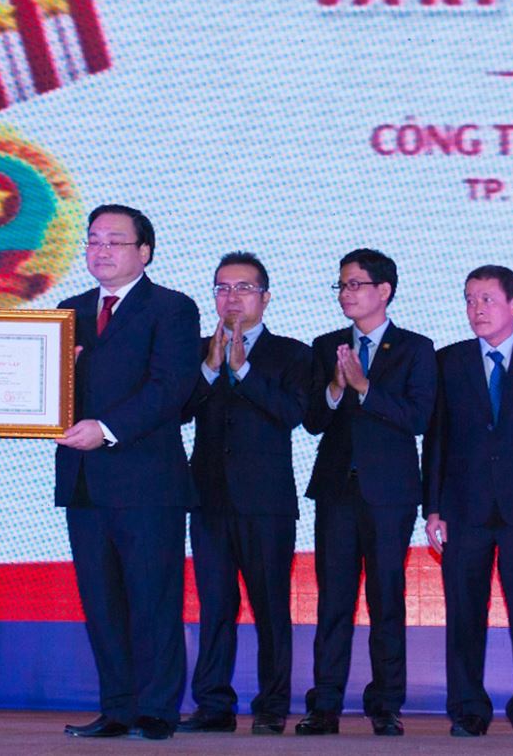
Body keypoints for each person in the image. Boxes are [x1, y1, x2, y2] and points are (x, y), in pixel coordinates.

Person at [57, 204, 200, 741]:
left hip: (147, 482)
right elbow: (45, 392)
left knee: (153, 599)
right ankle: (116, 708)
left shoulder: (173, 309)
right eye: (93, 240)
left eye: (114, 241)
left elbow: (170, 389)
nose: (101, 250)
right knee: (102, 603)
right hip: (83, 480)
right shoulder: (68, 311)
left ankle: (158, 709)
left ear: (144, 251)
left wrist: (108, 428)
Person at [423, 265, 513, 738]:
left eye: (486, 299)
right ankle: (468, 708)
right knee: (464, 615)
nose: (476, 309)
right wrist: (433, 508)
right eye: (469, 299)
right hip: (463, 508)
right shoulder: (448, 361)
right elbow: (437, 439)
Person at [298, 248, 435, 737]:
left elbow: (418, 418)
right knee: (333, 600)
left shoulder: (416, 348)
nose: (346, 294)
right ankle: (324, 704)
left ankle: (385, 703)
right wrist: (336, 390)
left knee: (386, 599)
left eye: (355, 284)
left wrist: (365, 387)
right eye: (341, 285)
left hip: (389, 493)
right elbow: (313, 420)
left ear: (384, 290)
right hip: (336, 490)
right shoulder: (326, 345)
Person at [179, 251, 310, 736]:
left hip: (266, 502)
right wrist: (211, 369)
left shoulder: (292, 353)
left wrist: (245, 370)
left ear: (265, 297)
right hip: (208, 499)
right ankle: (213, 705)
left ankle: (272, 706)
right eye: (222, 288)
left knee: (270, 606)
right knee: (215, 606)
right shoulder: (197, 350)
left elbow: (293, 413)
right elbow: (177, 410)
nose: (231, 298)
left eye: (243, 288)